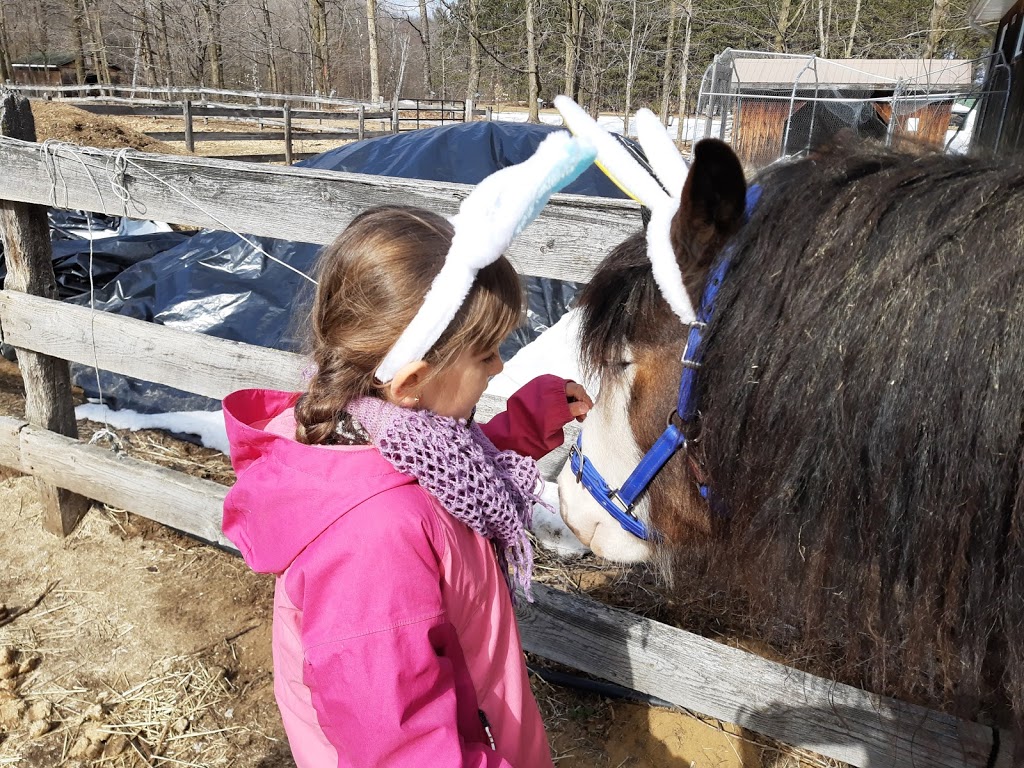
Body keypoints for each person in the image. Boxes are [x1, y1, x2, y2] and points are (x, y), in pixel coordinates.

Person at [221, 127, 597, 768]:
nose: (500, 367)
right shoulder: (374, 542)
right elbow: (398, 747)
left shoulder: (386, 440)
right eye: (486, 353)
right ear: (414, 382)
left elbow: (449, 482)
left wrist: (523, 428)